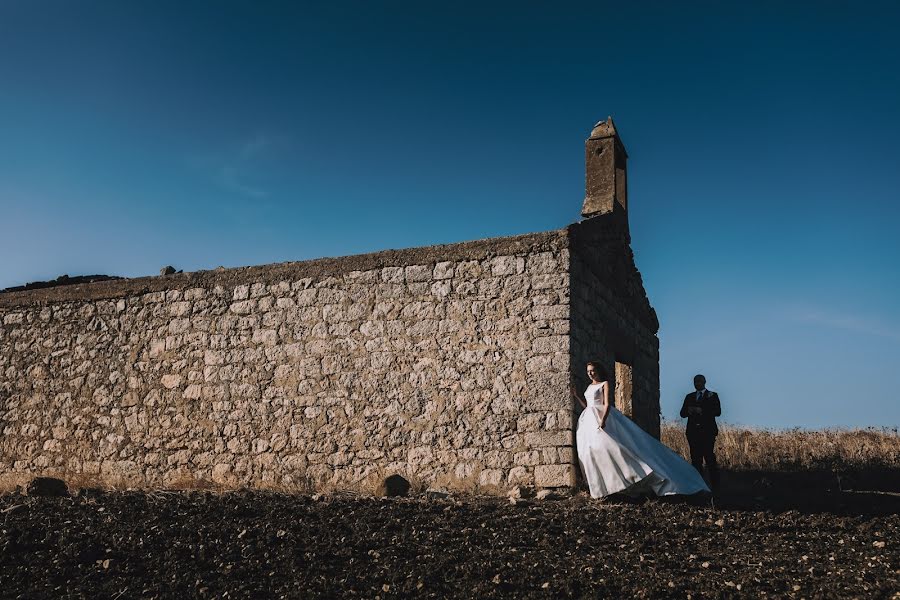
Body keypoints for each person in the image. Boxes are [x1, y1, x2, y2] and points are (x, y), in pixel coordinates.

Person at [570, 361, 709, 499]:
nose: (590, 373)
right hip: (588, 420)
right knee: (589, 451)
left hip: (602, 419)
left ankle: (630, 478)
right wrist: (576, 397)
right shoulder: (589, 387)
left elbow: (606, 404)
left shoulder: (604, 384)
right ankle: (602, 487)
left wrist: (603, 421)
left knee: (613, 447)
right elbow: (588, 406)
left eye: (592, 370)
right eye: (588, 371)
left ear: (598, 371)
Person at [679, 374, 721, 490]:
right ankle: (698, 486)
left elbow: (718, 412)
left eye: (699, 381)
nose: (697, 384)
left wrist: (702, 411)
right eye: (695, 382)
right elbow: (682, 414)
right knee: (695, 460)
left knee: (709, 457)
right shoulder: (689, 397)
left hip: (708, 432)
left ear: (704, 382)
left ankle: (715, 486)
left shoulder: (713, 396)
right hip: (693, 432)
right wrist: (689, 410)